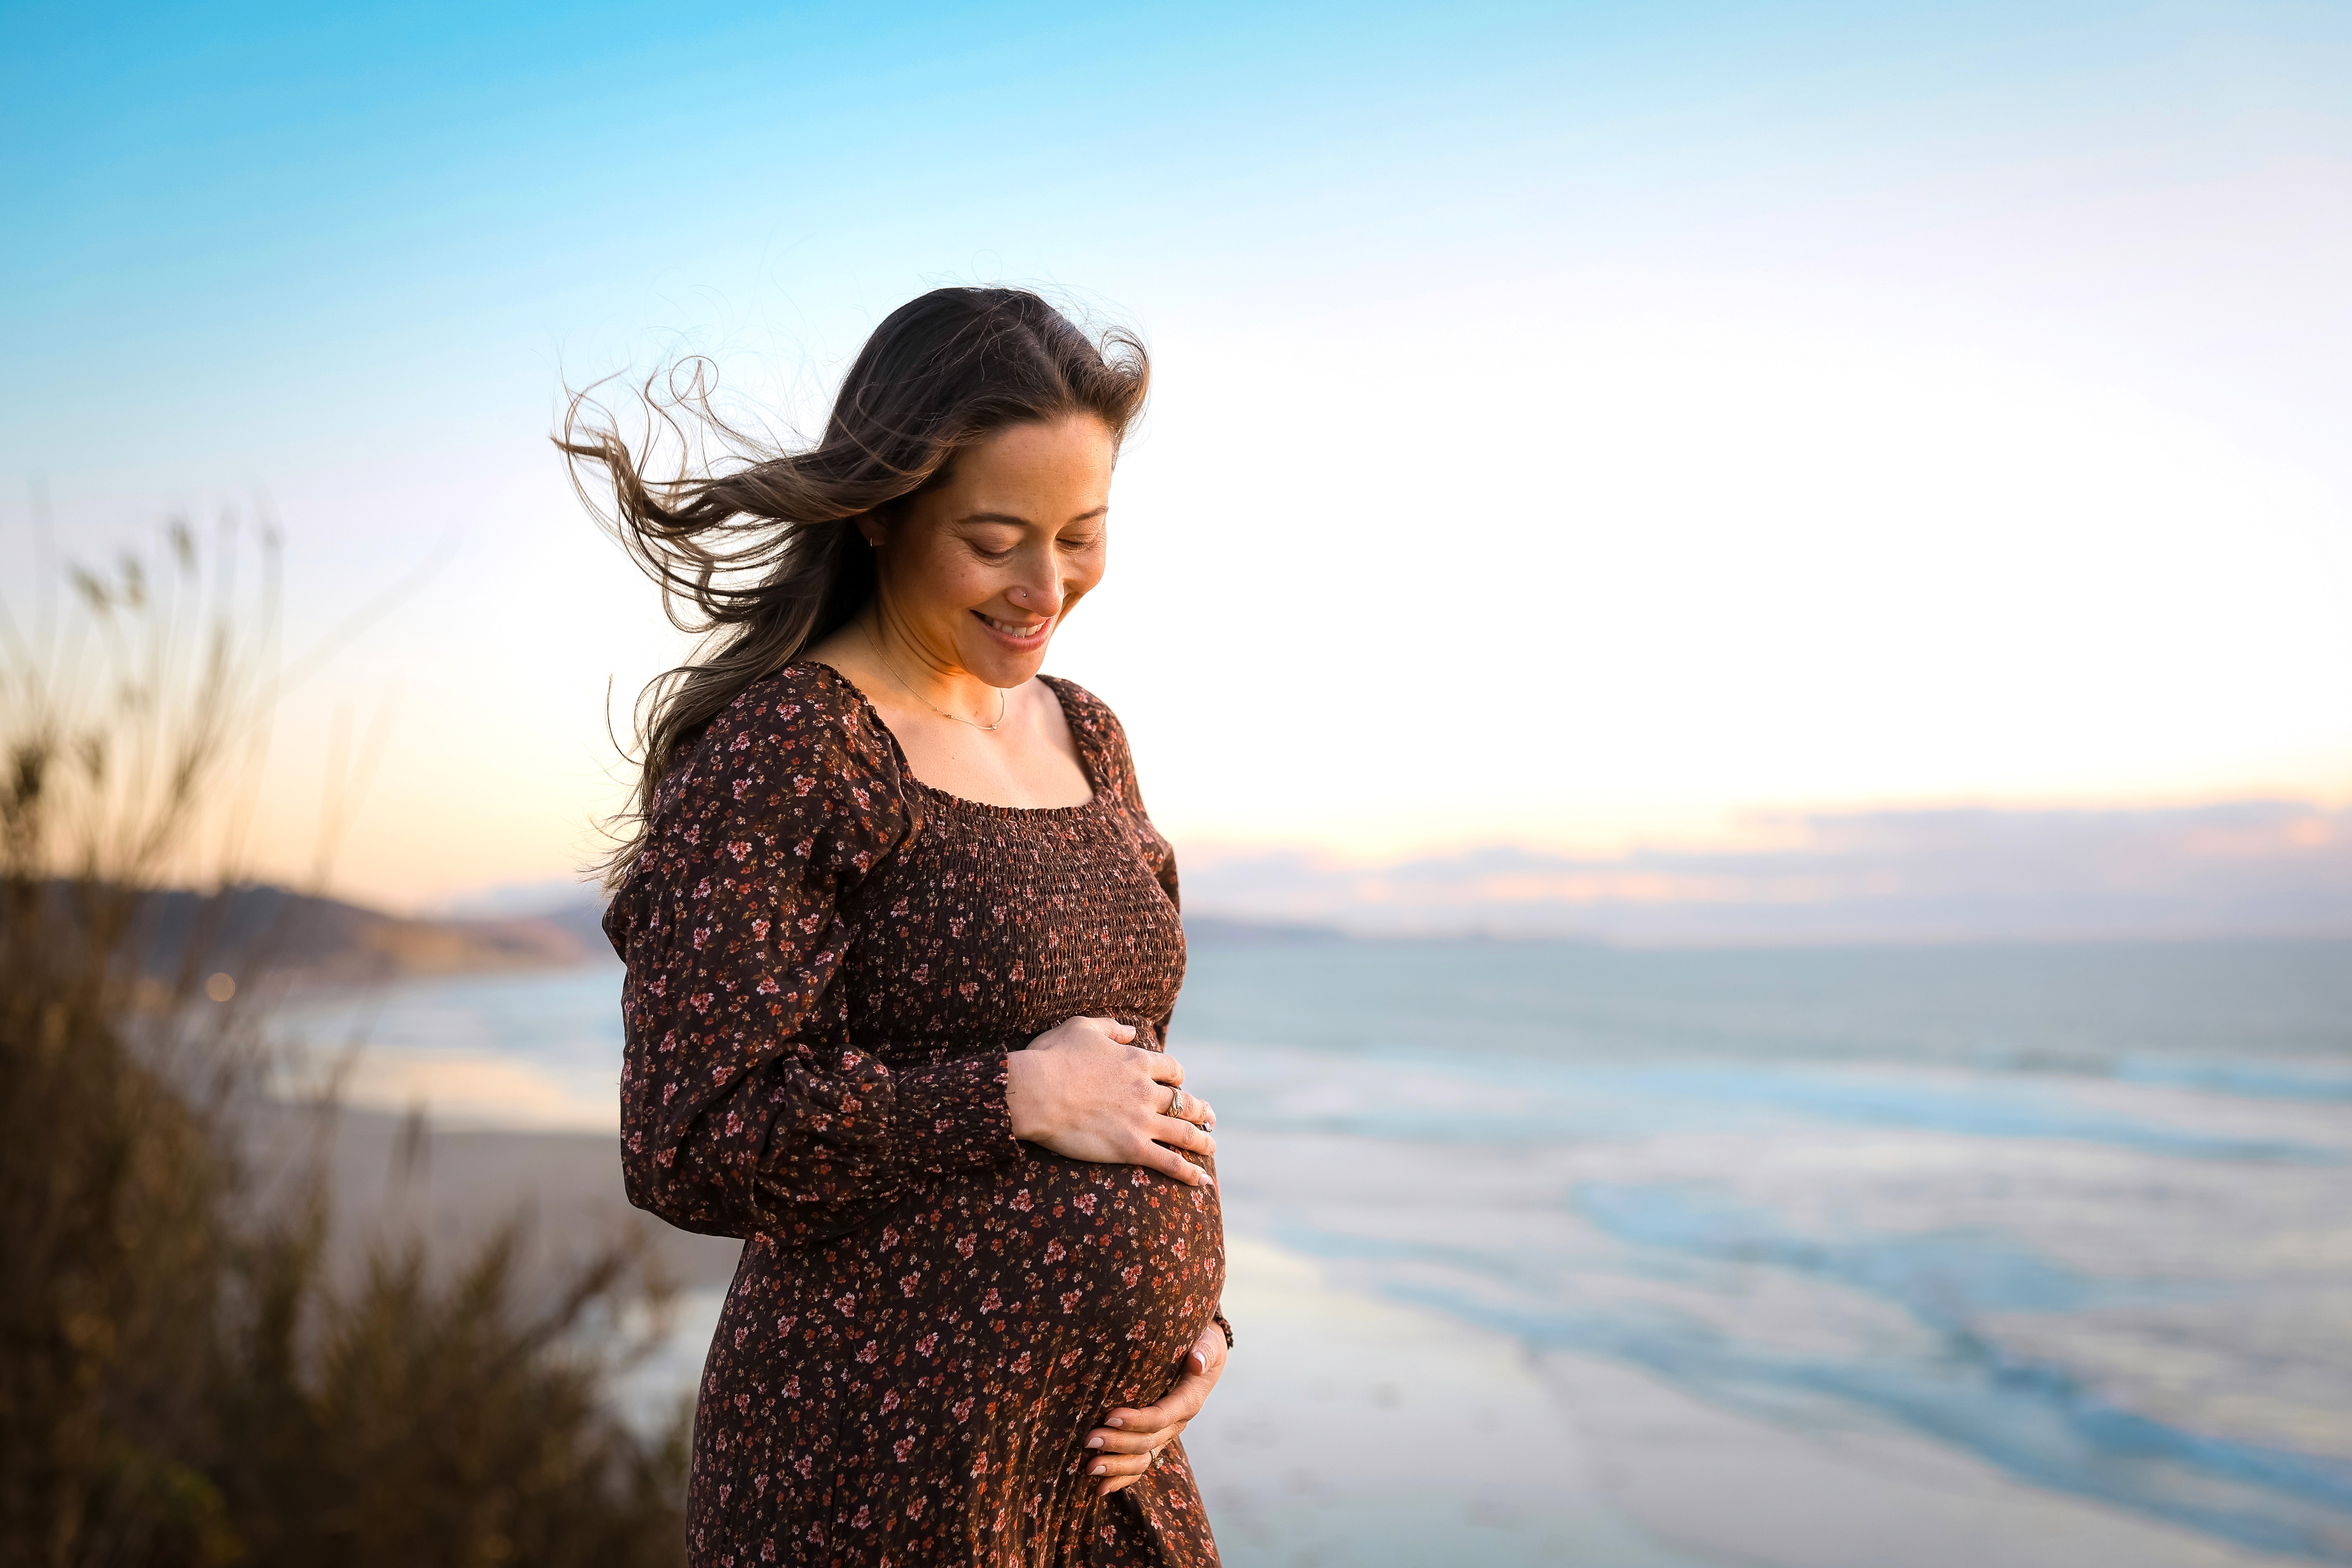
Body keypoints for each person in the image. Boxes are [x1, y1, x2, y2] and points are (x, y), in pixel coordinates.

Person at [563, 288, 1229, 1568]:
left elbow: (1132, 1087)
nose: (1046, 587)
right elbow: (690, 1137)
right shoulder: (790, 750)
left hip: (1114, 1465)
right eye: (995, 540)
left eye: (1082, 535)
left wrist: (1196, 1328)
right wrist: (1008, 1097)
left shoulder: (1086, 731)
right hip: (882, 1465)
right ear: (880, 510)